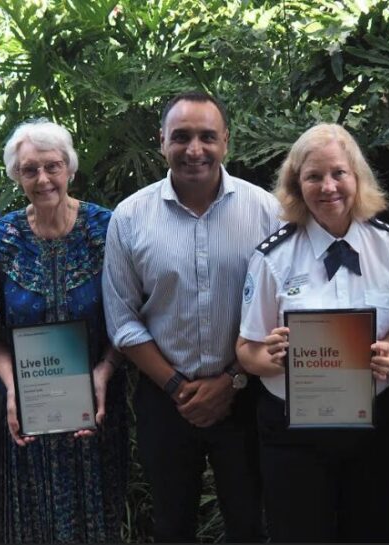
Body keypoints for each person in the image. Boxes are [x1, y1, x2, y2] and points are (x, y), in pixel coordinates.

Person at [103, 91, 280, 542]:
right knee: (171, 525)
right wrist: (178, 387)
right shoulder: (129, 218)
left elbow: (284, 311)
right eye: (181, 137)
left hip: (245, 398)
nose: (194, 149)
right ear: (161, 141)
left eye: (207, 136)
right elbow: (123, 321)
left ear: (226, 142)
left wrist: (233, 380)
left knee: (249, 524)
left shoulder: (268, 213)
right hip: (165, 400)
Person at [235, 123, 389, 542]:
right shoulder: (273, 258)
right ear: (297, 185)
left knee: (369, 533)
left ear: (357, 178)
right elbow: (246, 350)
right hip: (294, 433)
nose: (328, 186)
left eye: (338, 173)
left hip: (370, 426)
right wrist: (270, 356)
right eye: (313, 176)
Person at [0, 119, 127, 543]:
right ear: (16, 176)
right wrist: (14, 387)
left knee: (98, 519)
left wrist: (105, 371)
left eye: (52, 166)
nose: (43, 179)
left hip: (96, 406)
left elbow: (129, 318)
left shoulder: (107, 230)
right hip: (29, 410)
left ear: (70, 169)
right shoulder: (0, 239)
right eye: (29, 170)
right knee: (34, 522)